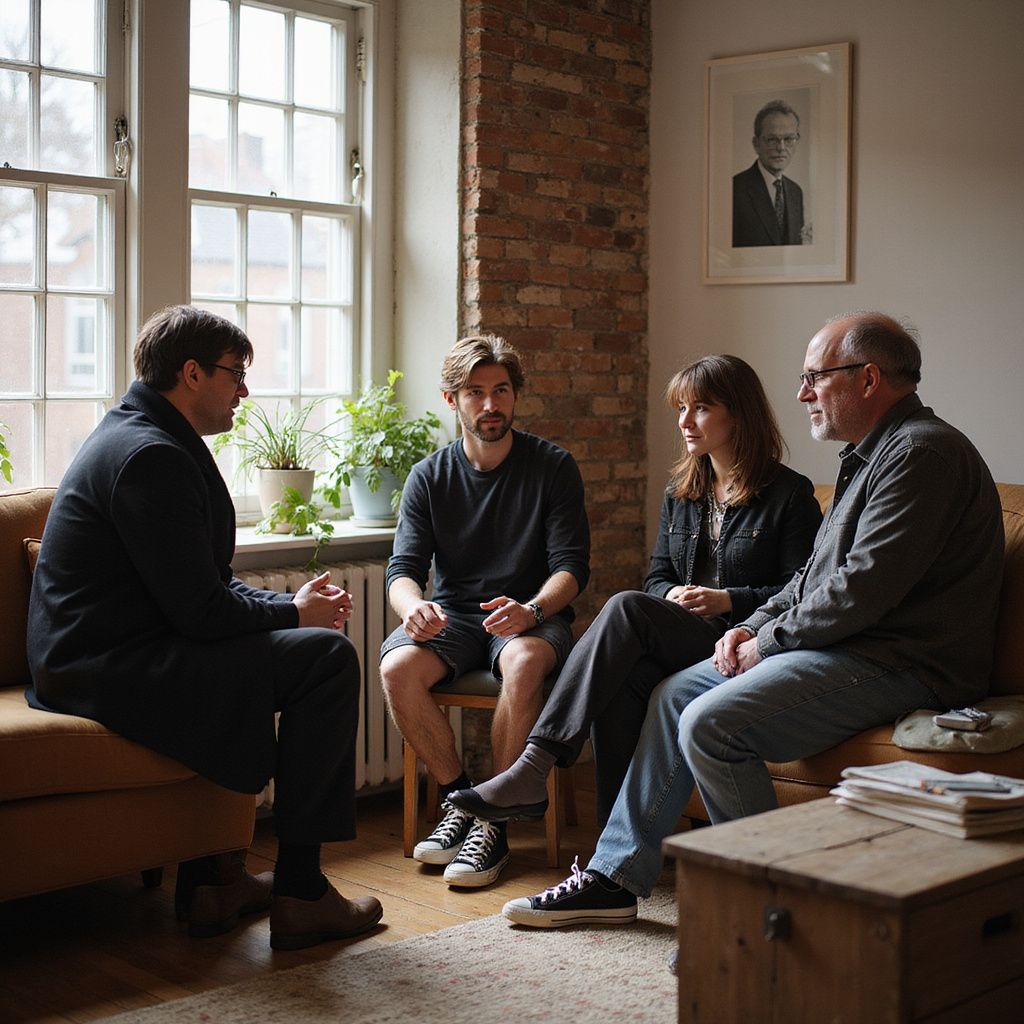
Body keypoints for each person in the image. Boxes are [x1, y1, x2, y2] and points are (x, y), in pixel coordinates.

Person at [503, 312, 1004, 930]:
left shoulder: (922, 454)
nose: (802, 393)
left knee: (712, 722)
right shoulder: (866, 457)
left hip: (906, 664)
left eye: (815, 377)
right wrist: (751, 627)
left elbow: (861, 591)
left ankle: (767, 909)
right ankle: (615, 875)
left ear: (868, 378)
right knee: (671, 694)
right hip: (848, 648)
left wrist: (764, 640)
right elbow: (809, 580)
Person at [26, 305, 383, 951]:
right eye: (235, 374)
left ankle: (214, 881)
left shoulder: (148, 436)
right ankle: (302, 894)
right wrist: (292, 614)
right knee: (324, 658)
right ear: (191, 373)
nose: (245, 390)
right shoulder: (149, 456)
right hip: (101, 669)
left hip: (120, 648)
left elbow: (203, 586)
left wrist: (289, 605)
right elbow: (201, 612)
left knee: (280, 648)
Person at [449, 355, 822, 830]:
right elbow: (657, 577)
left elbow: (801, 589)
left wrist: (729, 600)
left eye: (701, 408)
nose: (685, 421)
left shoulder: (788, 494)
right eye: (681, 408)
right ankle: (611, 853)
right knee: (623, 677)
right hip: (688, 631)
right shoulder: (682, 490)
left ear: (739, 413)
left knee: (624, 608)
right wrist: (672, 596)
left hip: (742, 639)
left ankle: (533, 764)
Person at [380, 334, 590, 888]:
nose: (491, 405)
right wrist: (412, 608)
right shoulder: (429, 476)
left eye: (501, 391)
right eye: (476, 392)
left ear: (516, 396)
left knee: (522, 663)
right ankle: (463, 804)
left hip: (531, 616)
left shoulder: (552, 467)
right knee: (396, 668)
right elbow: (401, 569)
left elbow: (572, 569)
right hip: (453, 617)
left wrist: (532, 609)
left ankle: (493, 817)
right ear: (452, 400)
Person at [733, 100, 805, 247]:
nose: (781, 148)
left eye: (789, 139)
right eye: (772, 139)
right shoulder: (735, 188)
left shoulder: (796, 192)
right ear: (756, 144)